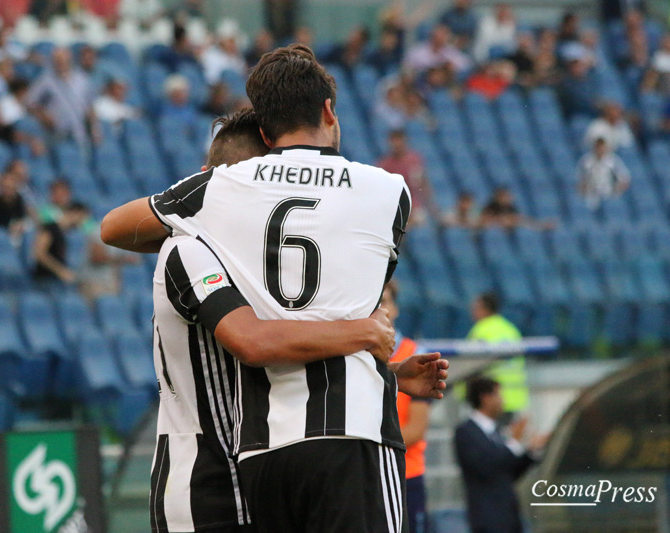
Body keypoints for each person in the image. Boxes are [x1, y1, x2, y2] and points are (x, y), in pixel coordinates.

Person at [101, 44, 450, 532]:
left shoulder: (221, 192)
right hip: (351, 435)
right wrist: (369, 339)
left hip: (261, 451)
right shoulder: (390, 191)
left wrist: (206, 215)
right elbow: (331, 306)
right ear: (329, 110)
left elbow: (113, 228)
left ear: (265, 131)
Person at [150, 108, 398, 533]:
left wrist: (387, 371)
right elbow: (255, 342)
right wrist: (362, 333)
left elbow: (290, 345)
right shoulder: (188, 251)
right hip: (201, 483)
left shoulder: (256, 260)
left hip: (253, 465)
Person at [454, 377, 539, 533]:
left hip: (510, 517)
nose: (502, 401)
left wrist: (531, 451)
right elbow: (485, 467)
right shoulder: (465, 432)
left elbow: (508, 472)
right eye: (498, 395)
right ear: (485, 398)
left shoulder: (497, 432)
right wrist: (514, 442)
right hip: (487, 519)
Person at [383, 282, 431, 533]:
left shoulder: (415, 354)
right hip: (366, 474)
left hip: (406, 474)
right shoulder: (353, 354)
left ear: (396, 308)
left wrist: (368, 445)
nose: (381, 311)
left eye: (385, 302)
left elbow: (416, 429)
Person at [467, 292, 528, 414]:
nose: (472, 312)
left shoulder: (480, 331)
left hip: (491, 399)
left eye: (475, 308)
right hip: (515, 398)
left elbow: (470, 366)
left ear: (485, 309)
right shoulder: (510, 329)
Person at [28, 47, 97, 147]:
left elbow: (90, 106)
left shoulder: (82, 79)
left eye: (63, 60)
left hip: (79, 134)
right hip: (56, 134)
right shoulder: (45, 81)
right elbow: (30, 103)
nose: (60, 63)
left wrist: (94, 128)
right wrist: (44, 116)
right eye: (57, 60)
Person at [377, 130, 431, 226]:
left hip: (414, 205)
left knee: (421, 222)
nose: (397, 145)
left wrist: (429, 203)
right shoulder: (385, 164)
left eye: (399, 141)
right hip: (394, 206)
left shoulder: (414, 160)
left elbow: (423, 183)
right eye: (394, 141)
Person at [32, 201, 89, 290]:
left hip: (55, 281)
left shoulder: (64, 233)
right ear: (75, 213)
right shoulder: (50, 228)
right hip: (45, 281)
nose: (82, 223)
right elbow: (39, 253)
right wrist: (60, 271)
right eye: (82, 218)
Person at [577, 137, 631, 210]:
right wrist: (584, 190)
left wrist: (616, 190)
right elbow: (579, 180)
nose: (600, 150)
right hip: (591, 195)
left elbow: (625, 179)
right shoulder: (586, 161)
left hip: (609, 194)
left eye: (601, 147)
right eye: (598, 147)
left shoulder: (613, 161)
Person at [0, 169, 27, 236]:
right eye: (6, 188)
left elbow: (21, 217)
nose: (8, 191)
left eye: (11, 188)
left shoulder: (19, 200)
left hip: (15, 234)